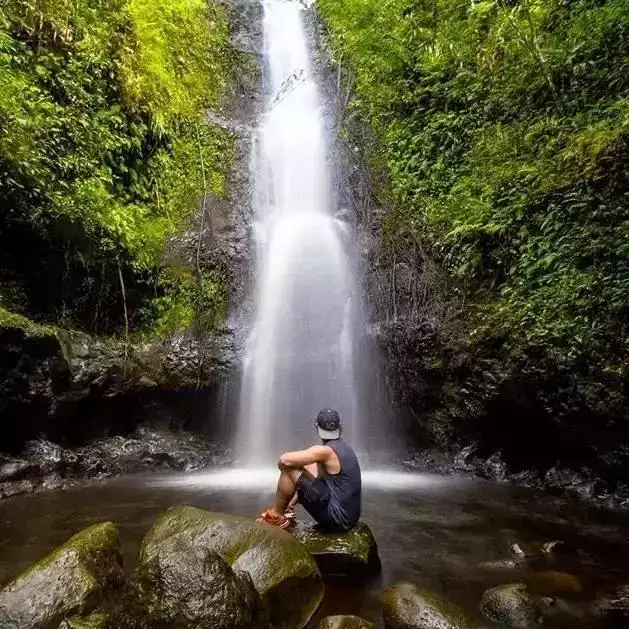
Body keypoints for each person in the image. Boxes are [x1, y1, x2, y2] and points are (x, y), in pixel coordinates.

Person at [256, 408, 362, 532]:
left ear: (317, 428)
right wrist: (292, 501)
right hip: (349, 519)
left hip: (337, 520)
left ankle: (277, 517)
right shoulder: (345, 447)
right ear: (340, 427)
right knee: (305, 467)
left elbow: (284, 460)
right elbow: (318, 479)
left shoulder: (325, 451)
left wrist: (284, 467)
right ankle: (286, 509)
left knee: (290, 468)